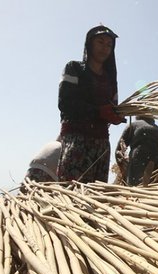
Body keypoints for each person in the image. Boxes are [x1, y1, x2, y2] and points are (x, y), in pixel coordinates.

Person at [56, 25, 125, 183]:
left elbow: (113, 106)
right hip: (76, 140)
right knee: (71, 190)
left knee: (95, 195)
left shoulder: (110, 79)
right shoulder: (74, 68)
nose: (105, 48)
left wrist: (116, 116)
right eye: (100, 42)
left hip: (101, 145)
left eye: (109, 45)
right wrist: (98, 111)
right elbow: (65, 103)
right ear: (89, 44)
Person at [115, 115, 158, 186]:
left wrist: (122, 164)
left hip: (139, 161)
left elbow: (120, 149)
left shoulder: (133, 125)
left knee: (137, 190)